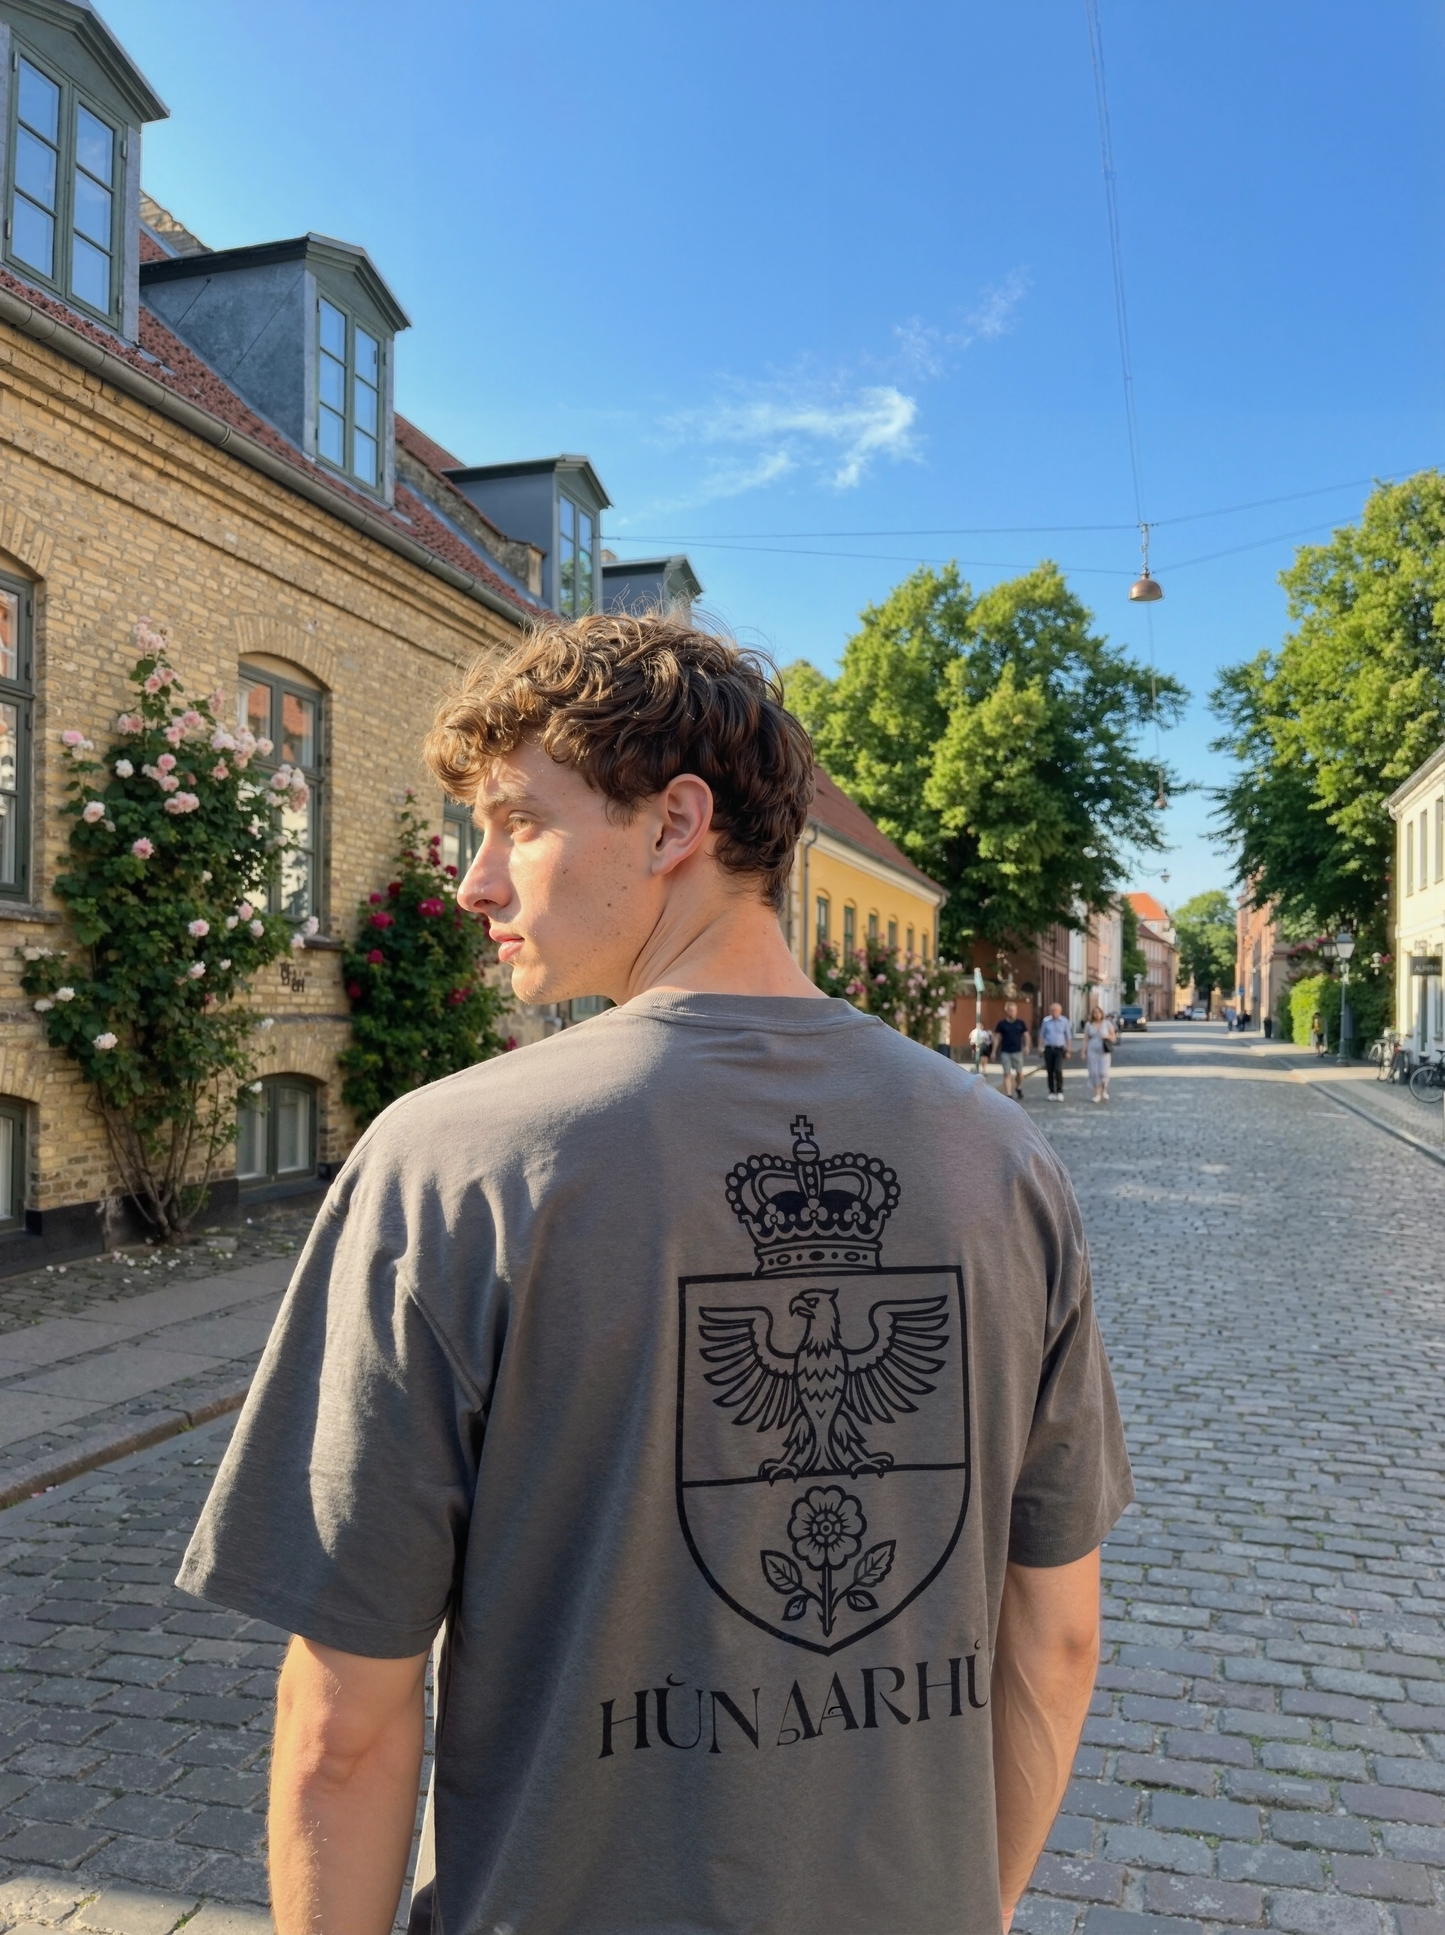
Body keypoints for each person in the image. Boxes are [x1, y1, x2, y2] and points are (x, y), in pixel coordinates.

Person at [178, 614, 1133, 1935]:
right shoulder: (1002, 1157)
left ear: (674, 823)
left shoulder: (452, 1161)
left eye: (517, 821)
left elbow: (344, 1720)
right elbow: (1059, 1637)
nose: (475, 882)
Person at [992, 999, 1030, 1099]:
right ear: (1006, 1011)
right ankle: (1009, 1094)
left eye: (1013, 1010)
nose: (1012, 1012)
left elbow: (1026, 1035)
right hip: (1005, 1052)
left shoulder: (1020, 1023)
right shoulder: (1002, 1024)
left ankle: (1018, 1086)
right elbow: (997, 1038)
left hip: (1017, 1051)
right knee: (1006, 1073)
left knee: (1019, 1073)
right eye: (1010, 1010)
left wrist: (1026, 1046)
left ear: (1016, 1011)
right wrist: (993, 1052)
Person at [1039, 1002, 1072, 1101]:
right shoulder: (1046, 1021)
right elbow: (1042, 1035)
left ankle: (1060, 1091)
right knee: (1049, 1070)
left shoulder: (1064, 1021)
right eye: (1053, 1010)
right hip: (1049, 1048)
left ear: (1060, 1011)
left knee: (1058, 1069)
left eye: (1056, 1010)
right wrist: (1040, 1047)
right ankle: (1051, 1091)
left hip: (1060, 1049)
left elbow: (1068, 1037)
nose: (1054, 1012)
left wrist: (1069, 1050)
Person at [1083, 1004, 1115, 1103]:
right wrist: (1083, 1052)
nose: (1096, 1014)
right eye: (1095, 1013)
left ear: (1102, 1014)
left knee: (1103, 1072)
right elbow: (1085, 1039)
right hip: (1092, 1050)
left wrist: (1107, 1036)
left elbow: (1113, 1037)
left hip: (1104, 1050)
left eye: (1098, 1012)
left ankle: (1104, 1090)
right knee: (1094, 1072)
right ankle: (1097, 1094)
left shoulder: (1107, 1024)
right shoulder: (1089, 1025)